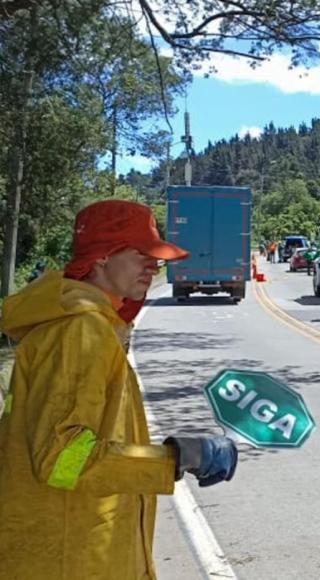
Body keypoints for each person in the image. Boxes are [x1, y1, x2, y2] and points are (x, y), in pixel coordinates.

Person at [0, 200, 238, 580]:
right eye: (141, 253)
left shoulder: (87, 324)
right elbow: (62, 458)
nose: (153, 265)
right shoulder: (80, 331)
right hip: (70, 559)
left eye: (156, 257)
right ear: (101, 258)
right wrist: (177, 457)